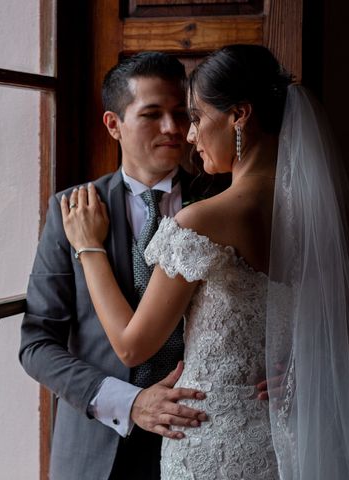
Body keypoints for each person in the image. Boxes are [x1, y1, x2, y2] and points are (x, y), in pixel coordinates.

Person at [60, 44, 349, 479]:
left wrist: (89, 248)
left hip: (210, 441)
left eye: (198, 118)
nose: (189, 135)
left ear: (239, 115)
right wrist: (303, 368)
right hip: (290, 441)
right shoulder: (320, 219)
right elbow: (347, 326)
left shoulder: (203, 220)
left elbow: (132, 345)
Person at [20, 52, 236, 480]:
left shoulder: (224, 202)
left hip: (205, 434)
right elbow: (36, 345)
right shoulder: (70, 210)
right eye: (152, 114)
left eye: (182, 113)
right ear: (113, 124)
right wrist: (130, 402)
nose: (173, 129)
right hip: (98, 447)